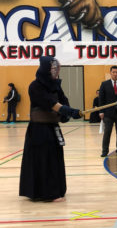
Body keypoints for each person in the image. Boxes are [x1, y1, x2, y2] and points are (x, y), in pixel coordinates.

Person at [19, 56, 82, 202]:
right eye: (53, 68)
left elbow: (62, 100)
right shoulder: (34, 86)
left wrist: (68, 114)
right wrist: (68, 110)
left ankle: (56, 189)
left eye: (57, 68)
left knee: (55, 158)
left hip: (53, 127)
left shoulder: (56, 85)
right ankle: (48, 193)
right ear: (45, 69)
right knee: (44, 159)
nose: (56, 71)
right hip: (39, 130)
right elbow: (50, 103)